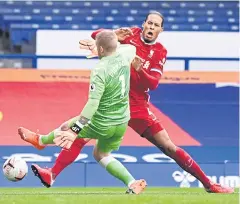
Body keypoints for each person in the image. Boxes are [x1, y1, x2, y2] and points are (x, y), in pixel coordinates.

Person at [20, 11, 234, 194]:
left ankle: (208, 184)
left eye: (156, 25)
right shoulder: (130, 35)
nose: (151, 27)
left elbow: (153, 83)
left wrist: (140, 70)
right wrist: (114, 33)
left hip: (138, 107)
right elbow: (98, 36)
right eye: (149, 23)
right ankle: (51, 170)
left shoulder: (159, 52)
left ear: (161, 30)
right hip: (114, 102)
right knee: (79, 136)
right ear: (143, 24)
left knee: (168, 146)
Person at [18, 30, 147, 194]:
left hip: (102, 121)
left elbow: (92, 105)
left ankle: (41, 141)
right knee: (101, 154)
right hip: (121, 121)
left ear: (100, 50)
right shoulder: (127, 52)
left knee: (68, 129)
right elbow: (122, 47)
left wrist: (75, 131)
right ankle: (132, 182)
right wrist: (107, 40)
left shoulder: (100, 70)